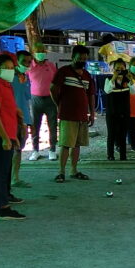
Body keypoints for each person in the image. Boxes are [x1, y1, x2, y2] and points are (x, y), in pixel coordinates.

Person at [0, 54, 26, 220]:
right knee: (1, 173)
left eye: (11, 68)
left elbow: (7, 109)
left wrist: (13, 133)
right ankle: (3, 206)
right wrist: (5, 138)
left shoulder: (6, 84)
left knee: (0, 171)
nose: (10, 71)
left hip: (8, 132)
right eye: (6, 68)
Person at [50, 44, 95, 183]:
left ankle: (73, 170)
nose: (82, 60)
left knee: (77, 144)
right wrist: (59, 104)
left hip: (82, 114)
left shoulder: (87, 75)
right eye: (79, 58)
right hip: (67, 114)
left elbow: (91, 95)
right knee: (65, 143)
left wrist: (92, 113)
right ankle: (61, 171)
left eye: (84, 58)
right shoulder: (63, 71)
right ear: (73, 57)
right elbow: (53, 89)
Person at [27, 41, 57, 161]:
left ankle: (52, 150)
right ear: (33, 53)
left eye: (42, 51)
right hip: (35, 99)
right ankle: (35, 150)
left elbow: (56, 82)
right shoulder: (29, 66)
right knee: (35, 126)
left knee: (53, 126)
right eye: (38, 51)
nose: (40, 53)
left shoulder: (51, 66)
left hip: (50, 99)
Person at [104, 58, 135, 161]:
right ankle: (110, 155)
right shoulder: (108, 79)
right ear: (113, 69)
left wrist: (131, 80)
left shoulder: (127, 80)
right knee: (111, 134)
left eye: (122, 68)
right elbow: (107, 90)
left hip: (124, 112)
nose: (119, 70)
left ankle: (123, 156)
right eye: (117, 68)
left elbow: (134, 92)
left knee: (123, 134)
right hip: (112, 112)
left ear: (125, 69)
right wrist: (114, 78)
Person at [11, 49, 33, 187]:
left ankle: (15, 178)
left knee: (18, 149)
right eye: (23, 61)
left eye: (29, 62)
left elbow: (26, 100)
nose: (26, 64)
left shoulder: (25, 78)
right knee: (10, 149)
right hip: (10, 118)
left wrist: (29, 122)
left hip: (23, 119)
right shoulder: (8, 78)